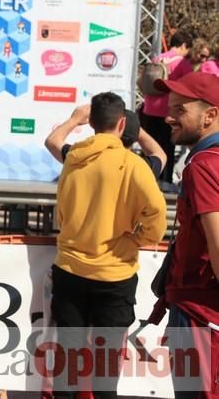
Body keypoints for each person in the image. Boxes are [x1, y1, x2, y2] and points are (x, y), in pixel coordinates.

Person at [52, 92, 167, 399]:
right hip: (114, 275)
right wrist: (142, 239)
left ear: (90, 123)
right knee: (105, 365)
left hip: (70, 269)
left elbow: (53, 141)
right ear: (121, 123)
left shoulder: (73, 158)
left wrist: (74, 119)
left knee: (68, 359)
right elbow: (157, 213)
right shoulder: (134, 164)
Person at [149, 72, 219, 398]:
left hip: (200, 314)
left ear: (210, 115)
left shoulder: (204, 165)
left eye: (180, 110)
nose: (168, 116)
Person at [45, 105, 167, 178]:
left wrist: (74, 120)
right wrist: (137, 129)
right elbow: (160, 154)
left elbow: (52, 141)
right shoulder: (142, 167)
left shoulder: (82, 157)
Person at [140, 30, 193, 186]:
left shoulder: (157, 59)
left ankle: (146, 179)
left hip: (148, 109)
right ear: (183, 45)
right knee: (167, 147)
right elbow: (190, 84)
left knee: (149, 147)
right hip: (167, 112)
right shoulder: (182, 63)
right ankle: (165, 180)